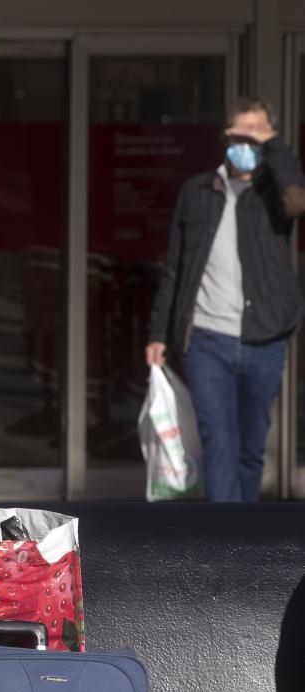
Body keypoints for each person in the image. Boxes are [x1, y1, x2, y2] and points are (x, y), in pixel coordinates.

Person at [146, 97, 305, 502]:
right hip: (206, 339)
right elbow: (176, 267)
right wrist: (158, 332)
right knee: (218, 443)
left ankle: (243, 538)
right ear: (225, 137)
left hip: (264, 339)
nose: (246, 143)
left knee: (250, 449)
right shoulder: (198, 190)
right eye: (240, 133)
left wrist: (276, 146)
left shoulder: (274, 192)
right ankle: (221, 546)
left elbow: (298, 202)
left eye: (257, 134)